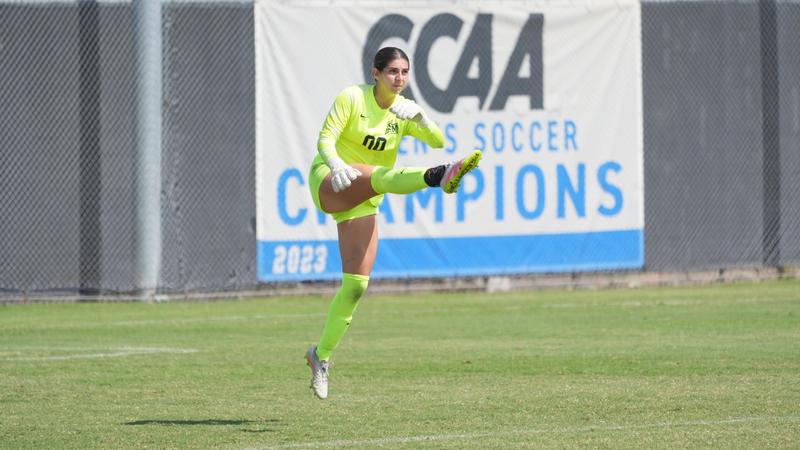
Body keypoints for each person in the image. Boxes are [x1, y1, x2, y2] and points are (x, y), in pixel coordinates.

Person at [305, 47, 481, 399]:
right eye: (392, 72)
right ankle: (438, 175)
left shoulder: (402, 110)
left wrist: (420, 117)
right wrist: (337, 164)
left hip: (366, 197)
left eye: (404, 72)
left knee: (356, 286)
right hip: (331, 179)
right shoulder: (353, 97)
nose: (399, 79)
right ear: (376, 73)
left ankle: (320, 357)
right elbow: (325, 138)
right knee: (382, 177)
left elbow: (438, 140)